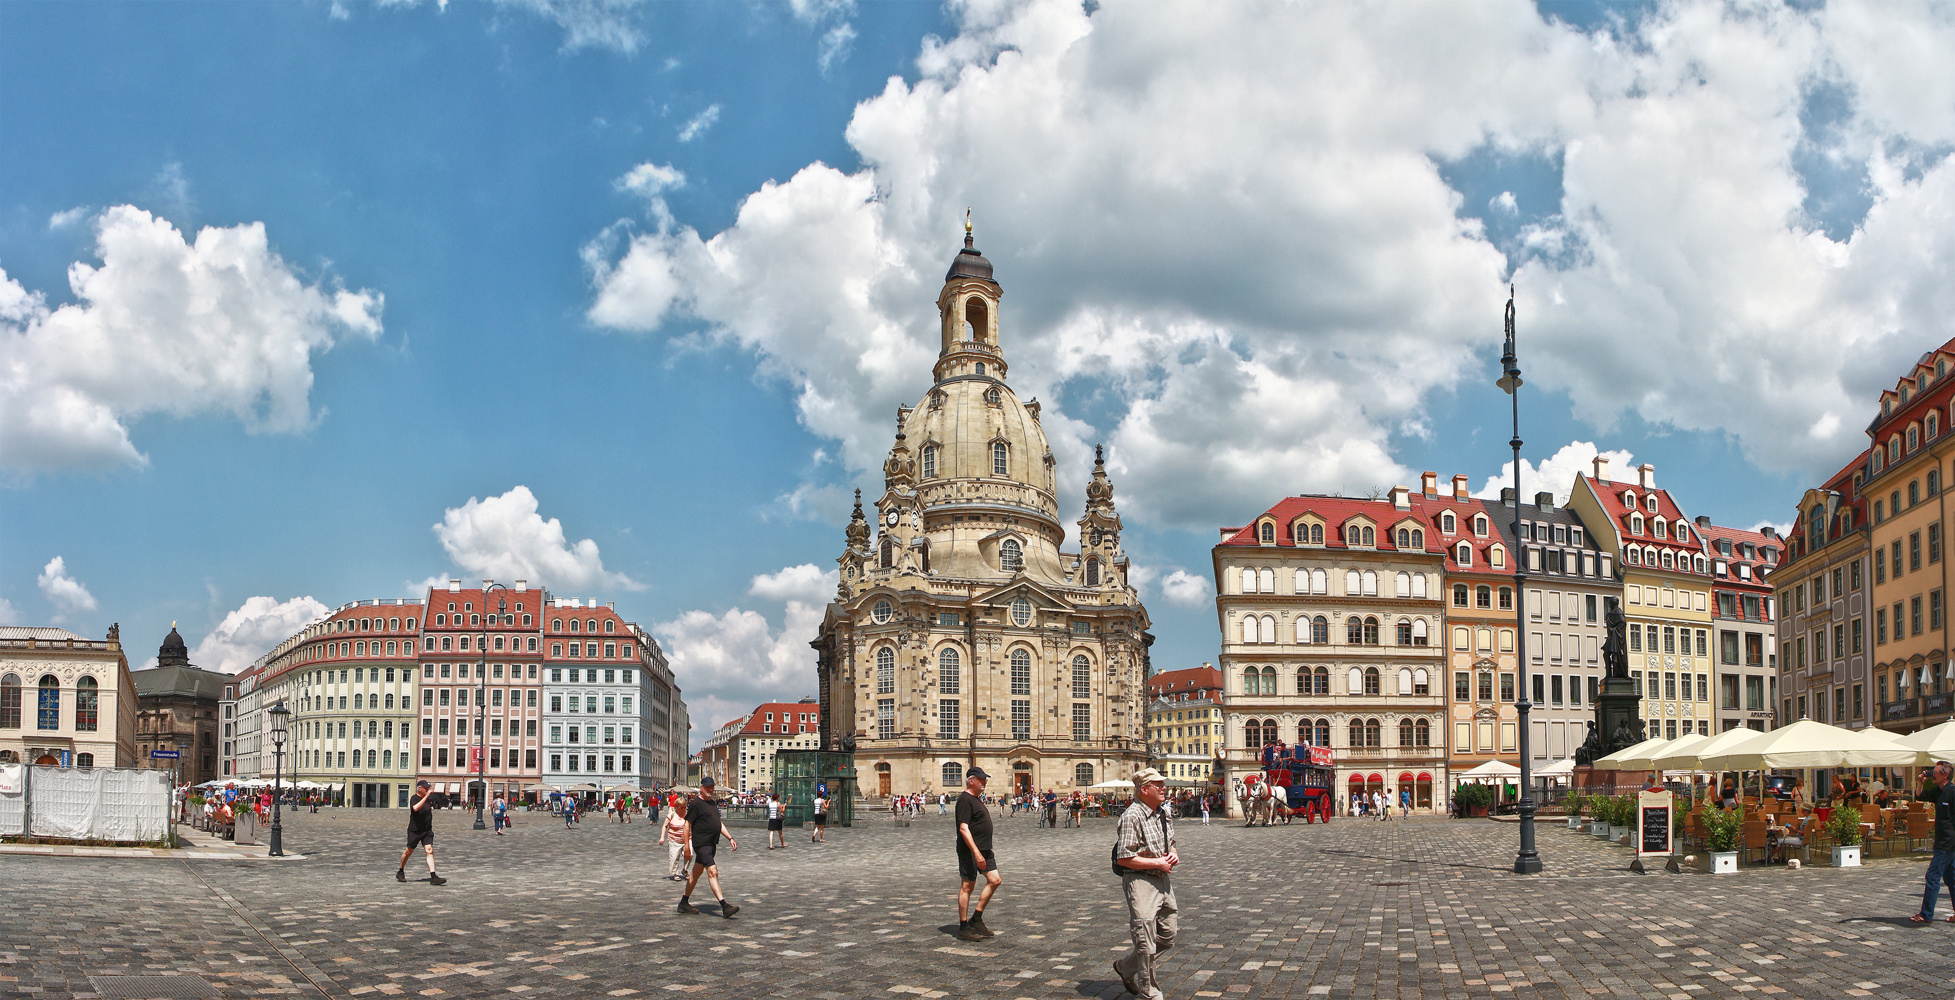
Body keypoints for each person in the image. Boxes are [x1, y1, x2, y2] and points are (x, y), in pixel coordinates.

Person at [1112, 768, 1178, 1000]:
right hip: (1140, 880)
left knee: (1168, 934)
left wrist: (1172, 854)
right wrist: (1158, 862)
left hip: (1162, 879)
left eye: (1163, 784)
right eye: (1158, 785)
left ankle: (1127, 967)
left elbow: (1171, 843)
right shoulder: (1132, 816)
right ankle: (1149, 993)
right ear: (1144, 789)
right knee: (1145, 938)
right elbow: (1124, 858)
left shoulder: (1163, 813)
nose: (1163, 788)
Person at [677, 777, 739, 918]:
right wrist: (687, 847)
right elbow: (686, 825)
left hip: (711, 844)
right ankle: (724, 906)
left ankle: (683, 903)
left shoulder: (712, 802)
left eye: (712, 787)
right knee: (713, 872)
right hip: (701, 844)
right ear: (701, 788)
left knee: (696, 874)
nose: (710, 790)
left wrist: (730, 838)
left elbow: (718, 823)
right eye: (707, 787)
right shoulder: (695, 804)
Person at [955, 767, 1001, 942]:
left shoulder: (976, 799)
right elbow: (963, 828)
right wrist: (976, 853)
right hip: (970, 851)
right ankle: (963, 927)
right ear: (972, 780)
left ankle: (976, 918)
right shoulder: (965, 800)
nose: (985, 782)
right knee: (967, 886)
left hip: (985, 850)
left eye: (985, 779)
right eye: (982, 779)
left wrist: (985, 850)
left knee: (995, 880)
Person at [1912, 760, 1955, 924]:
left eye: (1935, 772)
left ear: (1945, 775)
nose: (1932, 774)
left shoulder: (1952, 792)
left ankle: (1926, 914)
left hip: (1948, 843)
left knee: (1932, 876)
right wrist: (1919, 782)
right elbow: (1919, 796)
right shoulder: (1938, 791)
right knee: (1952, 880)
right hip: (1942, 842)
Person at [396, 780, 445, 885]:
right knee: (409, 851)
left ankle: (433, 876)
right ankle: (400, 871)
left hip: (426, 830)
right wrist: (426, 797)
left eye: (428, 788)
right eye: (425, 787)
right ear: (420, 788)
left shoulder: (426, 799)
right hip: (415, 831)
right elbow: (415, 808)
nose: (427, 789)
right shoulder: (415, 798)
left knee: (429, 850)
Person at [659, 793, 690, 881]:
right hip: (674, 840)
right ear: (676, 807)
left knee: (689, 855)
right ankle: (675, 873)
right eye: (682, 807)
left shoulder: (688, 814)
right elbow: (665, 826)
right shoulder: (671, 815)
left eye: (685, 807)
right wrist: (662, 837)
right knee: (674, 857)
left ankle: (685, 870)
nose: (684, 809)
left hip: (687, 839)